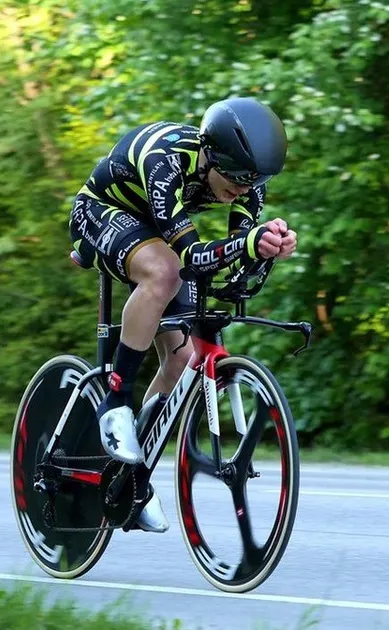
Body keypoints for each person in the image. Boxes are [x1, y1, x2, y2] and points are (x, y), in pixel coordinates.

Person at [67, 97, 298, 533]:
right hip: (100, 212)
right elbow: (190, 255)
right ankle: (115, 402)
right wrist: (248, 244)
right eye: (237, 177)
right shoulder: (166, 161)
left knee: (182, 359)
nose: (246, 188)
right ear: (211, 155)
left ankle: (130, 477)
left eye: (257, 180)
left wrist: (266, 248)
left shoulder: (247, 181)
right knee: (165, 270)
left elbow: (235, 261)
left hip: (153, 227)